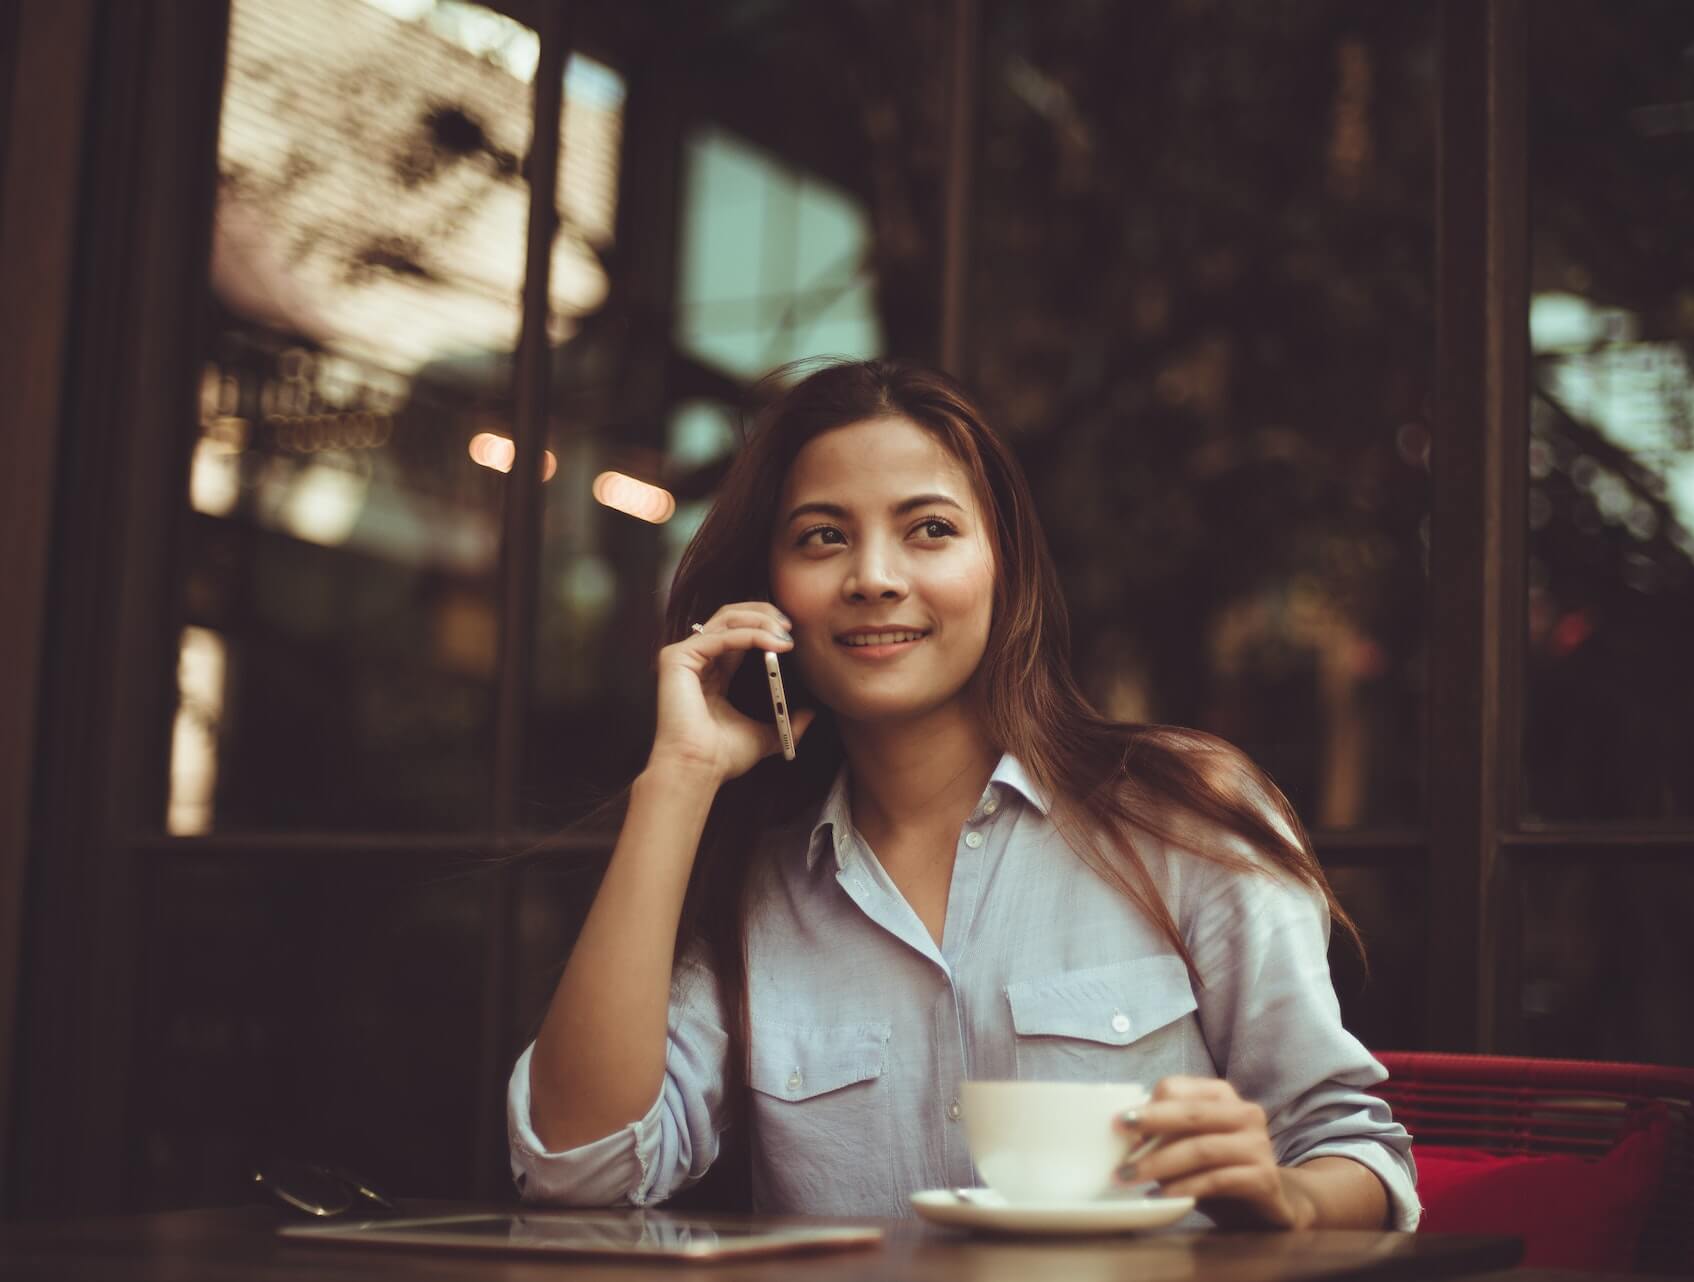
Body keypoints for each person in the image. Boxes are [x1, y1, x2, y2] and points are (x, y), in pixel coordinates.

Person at [507, 359, 1419, 1230]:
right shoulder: (754, 887)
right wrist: (677, 780)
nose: (872, 576)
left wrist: (1285, 1198)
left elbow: (1354, 1152)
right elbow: (576, 1169)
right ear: (772, 593)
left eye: (929, 529)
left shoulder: (1179, 816)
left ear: (1003, 567)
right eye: (823, 536)